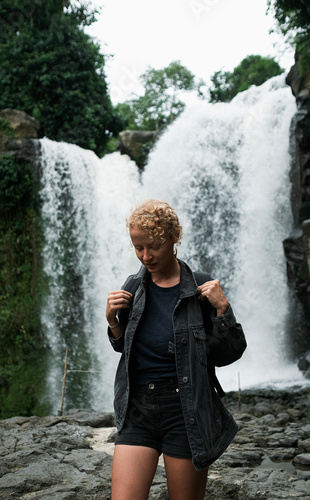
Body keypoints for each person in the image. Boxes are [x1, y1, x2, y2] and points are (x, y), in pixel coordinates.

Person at [106, 199, 246, 500]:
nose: (146, 256)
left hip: (186, 410)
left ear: (173, 238)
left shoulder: (200, 289)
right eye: (138, 247)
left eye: (153, 246)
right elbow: (125, 348)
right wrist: (113, 322)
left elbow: (228, 355)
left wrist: (223, 310)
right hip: (138, 407)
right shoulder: (133, 286)